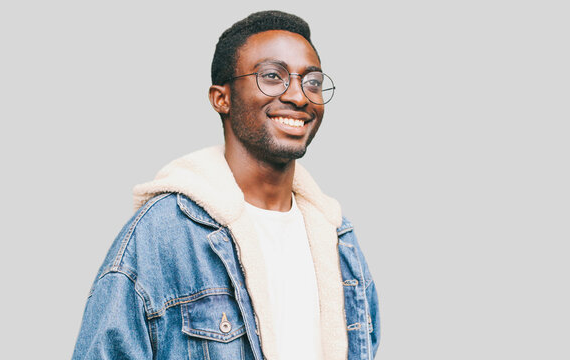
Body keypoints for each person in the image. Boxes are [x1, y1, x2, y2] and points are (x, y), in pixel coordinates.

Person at [72, 10, 380, 360]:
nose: (299, 96)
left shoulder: (339, 241)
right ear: (222, 98)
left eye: (311, 81)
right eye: (272, 76)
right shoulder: (161, 237)